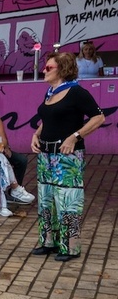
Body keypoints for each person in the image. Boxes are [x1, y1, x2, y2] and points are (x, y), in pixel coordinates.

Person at [30, 53, 105, 261]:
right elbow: (49, 118)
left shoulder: (77, 92)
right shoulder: (51, 92)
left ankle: (69, 247)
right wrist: (36, 134)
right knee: (46, 199)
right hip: (46, 155)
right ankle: (48, 242)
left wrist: (75, 136)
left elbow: (99, 117)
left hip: (67, 157)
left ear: (62, 69)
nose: (43, 70)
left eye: (48, 67)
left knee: (68, 201)